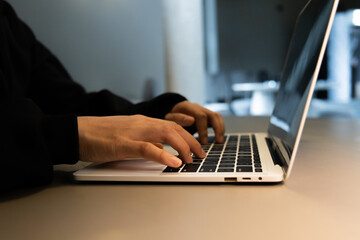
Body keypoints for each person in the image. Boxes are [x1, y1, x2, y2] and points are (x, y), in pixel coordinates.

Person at [0, 0, 225, 191]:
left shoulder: (6, 19)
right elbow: (67, 127)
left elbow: (70, 104)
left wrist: (159, 114)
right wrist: (69, 135)